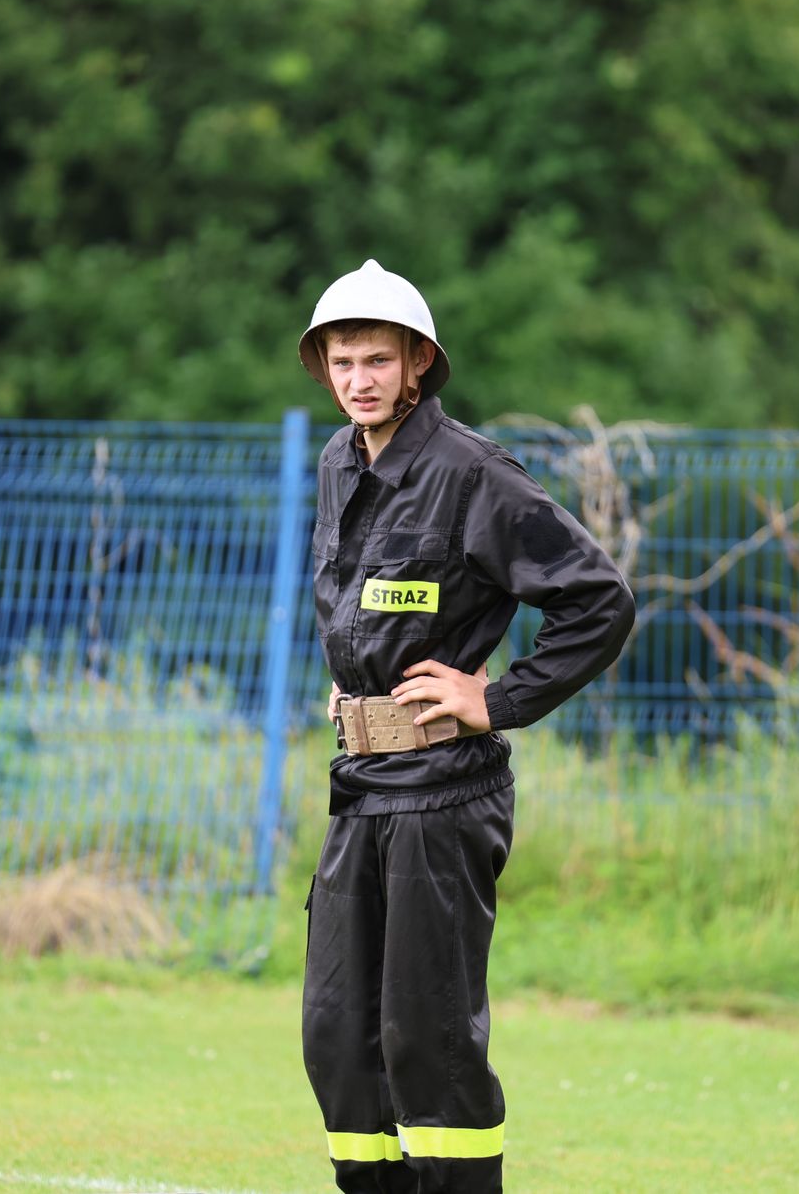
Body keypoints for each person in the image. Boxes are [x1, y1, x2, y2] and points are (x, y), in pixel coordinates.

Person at [295, 259, 636, 1193]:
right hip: (360, 786)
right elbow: (368, 601)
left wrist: (498, 698)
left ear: (418, 365)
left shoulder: (472, 474)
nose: (357, 379)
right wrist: (355, 687)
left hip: (444, 798)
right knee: (337, 1034)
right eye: (340, 361)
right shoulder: (338, 461)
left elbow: (598, 602)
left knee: (426, 1038)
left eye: (376, 360)